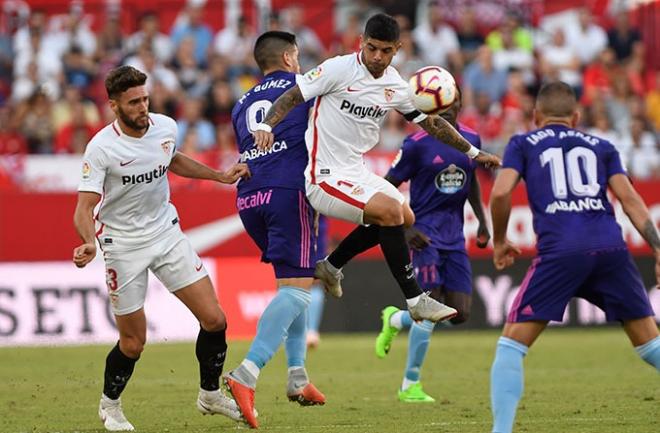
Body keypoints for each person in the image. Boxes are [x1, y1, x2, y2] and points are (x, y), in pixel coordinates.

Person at [251, 13, 500, 336]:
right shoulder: (338, 69)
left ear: (397, 48)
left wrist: (473, 153)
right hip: (323, 174)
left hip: (356, 171)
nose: (377, 57)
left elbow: (433, 123)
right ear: (361, 43)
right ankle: (414, 299)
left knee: (405, 216)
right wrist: (265, 124)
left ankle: (331, 265)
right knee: (390, 212)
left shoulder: (395, 84)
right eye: (372, 48)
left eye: (385, 50)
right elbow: (292, 96)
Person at [72, 65, 250, 431]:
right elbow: (84, 207)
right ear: (114, 106)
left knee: (215, 320)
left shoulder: (165, 127)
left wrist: (217, 175)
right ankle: (110, 406)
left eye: (145, 99)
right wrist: (89, 241)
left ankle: (210, 394)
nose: (142, 107)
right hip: (122, 245)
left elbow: (172, 159)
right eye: (133, 102)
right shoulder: (102, 148)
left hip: (167, 234)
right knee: (134, 342)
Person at [489, 81, 660, 433]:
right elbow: (629, 200)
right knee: (649, 342)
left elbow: (501, 192)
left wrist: (501, 239)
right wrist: (658, 247)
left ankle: (501, 431)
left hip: (561, 251)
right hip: (610, 248)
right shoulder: (602, 145)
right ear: (577, 117)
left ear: (535, 117)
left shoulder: (522, 143)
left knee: (511, 343)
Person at [222, 31, 325, 430]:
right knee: (299, 290)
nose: (299, 62)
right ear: (287, 56)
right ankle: (246, 373)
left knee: (293, 287)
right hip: (288, 192)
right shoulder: (304, 87)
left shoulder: (240, 103)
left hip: (249, 199)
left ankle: (298, 377)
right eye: (297, 55)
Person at [374, 92, 490, 402]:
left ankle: (395, 319)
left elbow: (472, 180)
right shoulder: (415, 144)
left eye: (452, 104)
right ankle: (409, 384)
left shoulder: (470, 138)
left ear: (459, 105)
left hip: (455, 236)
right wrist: (407, 228)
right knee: (429, 308)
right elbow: (386, 186)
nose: (448, 110)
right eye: (441, 106)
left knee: (460, 313)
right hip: (423, 235)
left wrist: (482, 219)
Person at [306, 215, 330, 348]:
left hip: (310, 225)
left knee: (312, 280)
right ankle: (310, 332)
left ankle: (310, 331)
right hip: (313, 223)